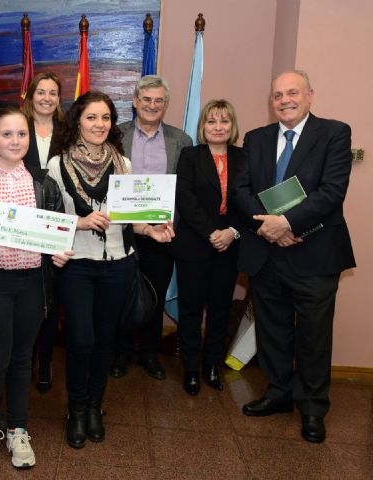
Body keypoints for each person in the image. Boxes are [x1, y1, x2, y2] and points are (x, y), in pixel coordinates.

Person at [233, 70, 355, 443]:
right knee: (273, 328)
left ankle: (314, 408)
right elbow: (241, 190)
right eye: (277, 95)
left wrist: (285, 223)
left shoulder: (334, 133)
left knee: (314, 336)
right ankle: (279, 393)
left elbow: (331, 192)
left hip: (315, 253)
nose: (284, 100)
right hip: (267, 253)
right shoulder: (256, 138)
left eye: (292, 93)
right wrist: (268, 228)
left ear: (309, 96)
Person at [47, 91, 174, 449]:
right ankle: (75, 408)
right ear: (77, 122)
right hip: (77, 265)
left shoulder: (124, 164)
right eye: (91, 117)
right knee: (81, 340)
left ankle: (93, 408)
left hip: (118, 264)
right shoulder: (57, 165)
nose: (99, 124)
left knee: (104, 341)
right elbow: (50, 220)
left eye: (105, 118)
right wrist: (80, 222)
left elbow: (129, 219)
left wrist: (151, 229)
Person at [0, 107, 72, 469]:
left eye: (21, 134)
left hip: (31, 285)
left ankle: (19, 429)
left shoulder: (44, 184)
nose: (15, 141)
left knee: (22, 360)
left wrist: (60, 251)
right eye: (6, 134)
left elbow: (56, 231)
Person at [110, 75, 192, 381]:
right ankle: (121, 353)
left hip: (161, 231)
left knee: (154, 295)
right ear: (134, 101)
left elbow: (184, 188)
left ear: (166, 105)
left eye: (159, 100)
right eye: (146, 99)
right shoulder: (116, 135)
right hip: (123, 228)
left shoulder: (180, 140)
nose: (152, 106)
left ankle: (148, 353)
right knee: (121, 292)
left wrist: (175, 222)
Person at [172, 99, 243, 396]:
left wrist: (232, 232)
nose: (218, 127)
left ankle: (212, 364)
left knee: (219, 309)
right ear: (203, 126)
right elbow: (185, 199)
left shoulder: (246, 157)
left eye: (224, 121)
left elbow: (250, 200)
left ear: (232, 126)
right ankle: (191, 367)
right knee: (190, 309)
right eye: (212, 121)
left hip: (230, 245)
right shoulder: (190, 155)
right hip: (195, 244)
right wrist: (212, 232)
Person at [21, 72, 64, 393]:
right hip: (24, 220)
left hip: (58, 222)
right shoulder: (17, 127)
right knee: (26, 297)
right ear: (31, 95)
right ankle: (25, 358)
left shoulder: (68, 132)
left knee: (52, 297)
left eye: (53, 93)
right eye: (41, 92)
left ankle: (45, 360)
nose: (46, 98)